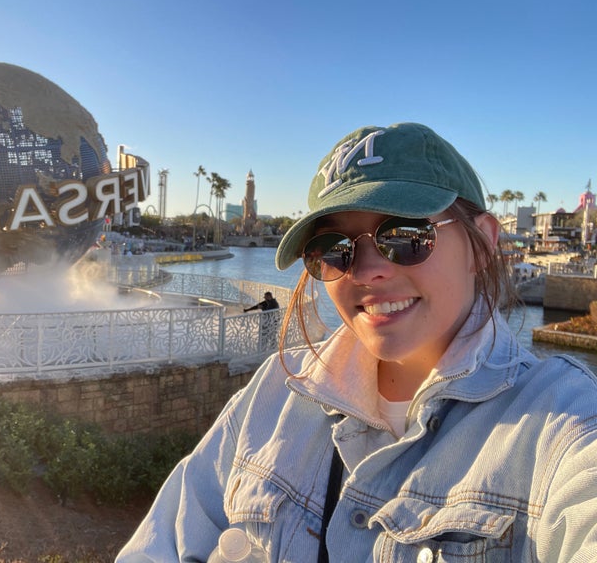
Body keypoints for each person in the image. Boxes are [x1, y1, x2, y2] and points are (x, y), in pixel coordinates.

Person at [116, 122, 597, 562]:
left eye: (405, 235)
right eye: (333, 249)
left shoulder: (562, 428)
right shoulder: (275, 393)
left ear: (483, 242)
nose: (366, 272)